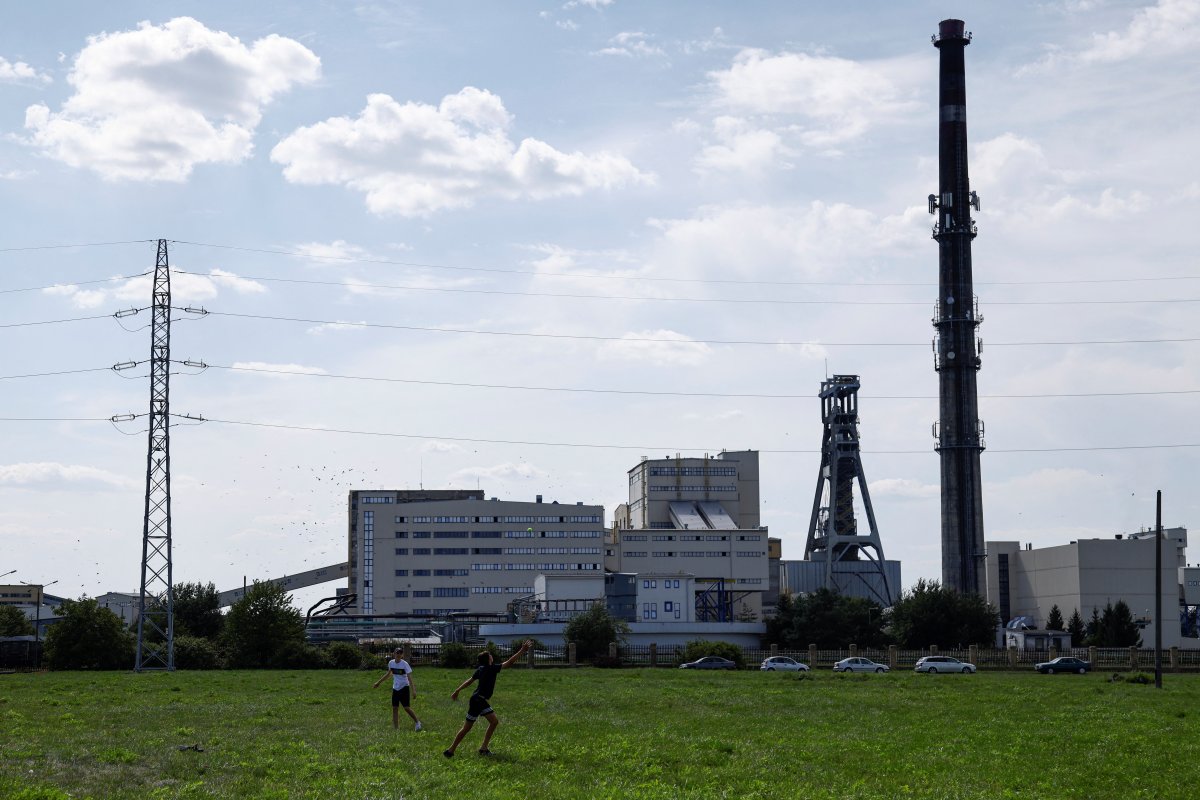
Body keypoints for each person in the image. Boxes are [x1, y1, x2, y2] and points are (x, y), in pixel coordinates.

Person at [443, 639, 531, 757]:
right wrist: (522, 650)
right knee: (493, 722)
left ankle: (451, 750)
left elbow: (469, 682)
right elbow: (509, 663)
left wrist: (457, 690)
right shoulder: (492, 668)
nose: (492, 657)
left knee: (468, 728)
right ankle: (483, 749)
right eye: (491, 656)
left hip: (475, 699)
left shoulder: (481, 669)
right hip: (479, 700)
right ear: (489, 659)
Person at [372, 646, 423, 731]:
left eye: (400, 653)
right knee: (395, 708)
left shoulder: (404, 664)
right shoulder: (391, 663)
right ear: (394, 654)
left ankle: (417, 722)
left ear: (402, 655)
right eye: (397, 653)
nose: (398, 654)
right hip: (395, 688)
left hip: (404, 688)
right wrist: (378, 682)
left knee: (406, 708)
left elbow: (410, 678)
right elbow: (389, 674)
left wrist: (413, 690)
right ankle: (396, 728)